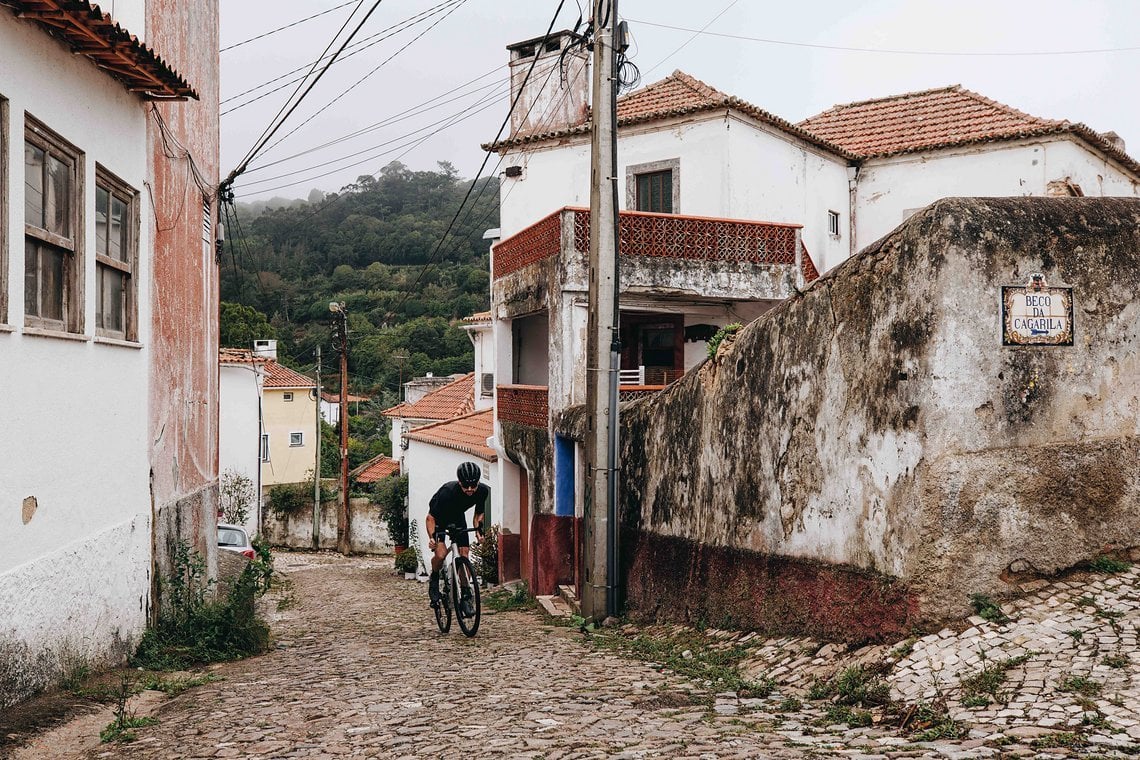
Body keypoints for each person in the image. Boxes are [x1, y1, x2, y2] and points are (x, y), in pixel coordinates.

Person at [426, 461, 487, 608]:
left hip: (458, 519)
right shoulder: (447, 492)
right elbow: (430, 518)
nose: (470, 489)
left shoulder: (482, 491)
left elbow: (478, 514)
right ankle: (434, 578)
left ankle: (465, 592)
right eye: (466, 486)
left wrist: (479, 531)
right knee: (440, 555)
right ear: (459, 482)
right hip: (440, 520)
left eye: (473, 485)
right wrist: (432, 538)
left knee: (464, 554)